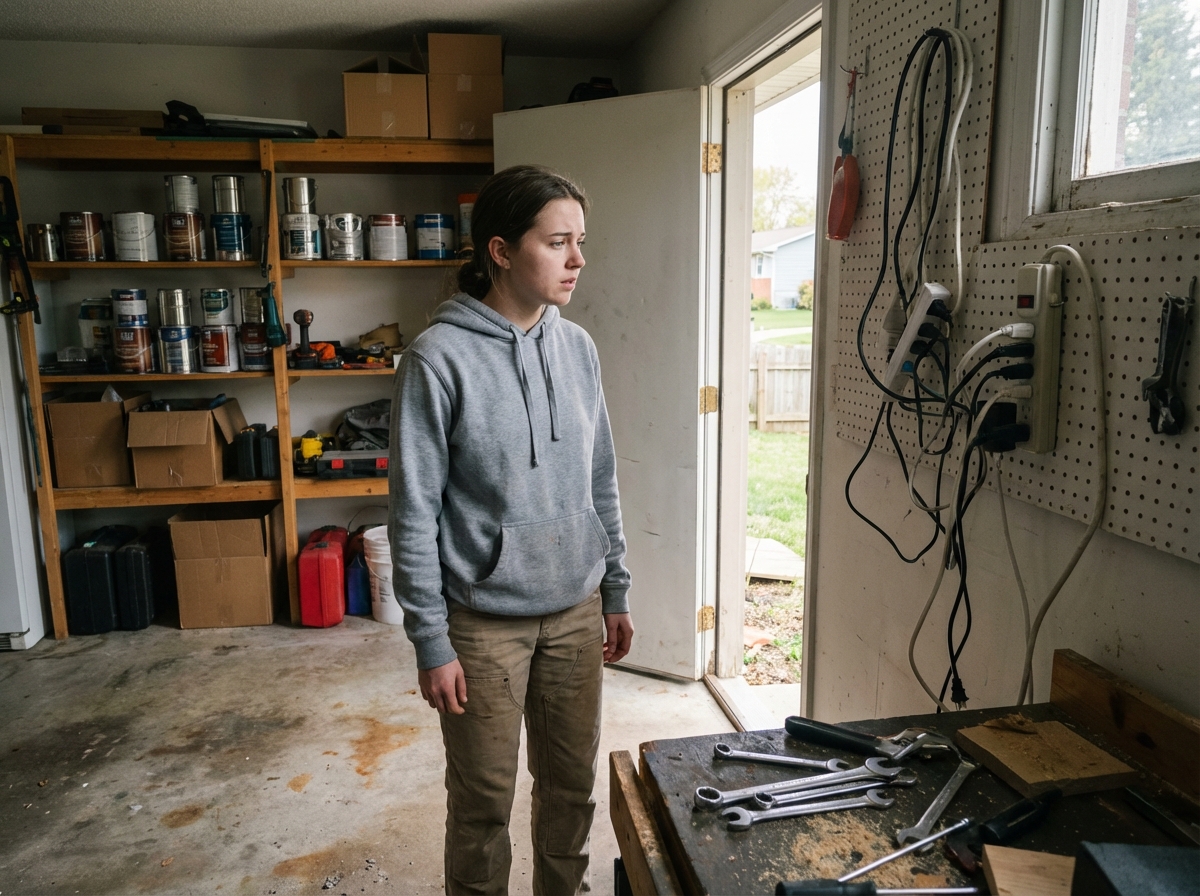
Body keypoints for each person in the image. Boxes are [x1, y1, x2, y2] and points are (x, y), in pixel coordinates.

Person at [388, 164, 634, 896]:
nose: (577, 260)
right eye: (558, 242)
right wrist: (431, 641)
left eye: (579, 242)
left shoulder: (579, 348)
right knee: (482, 805)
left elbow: (600, 479)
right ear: (500, 250)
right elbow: (413, 513)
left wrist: (615, 587)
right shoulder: (437, 359)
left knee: (570, 790)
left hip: (574, 611)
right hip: (483, 624)